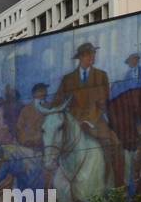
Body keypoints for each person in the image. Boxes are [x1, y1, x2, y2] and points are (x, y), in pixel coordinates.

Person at [50, 41, 123, 188]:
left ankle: (117, 186)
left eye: (93, 54)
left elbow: (103, 99)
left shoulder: (102, 76)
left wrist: (90, 120)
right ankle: (56, 190)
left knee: (115, 144)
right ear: (81, 57)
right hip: (73, 122)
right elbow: (58, 100)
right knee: (53, 146)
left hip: (95, 121)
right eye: (89, 54)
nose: (92, 57)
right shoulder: (68, 79)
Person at [15, 83, 49, 149]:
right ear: (34, 94)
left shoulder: (50, 107)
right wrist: (26, 140)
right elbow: (19, 128)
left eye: (45, 90)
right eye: (41, 91)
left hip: (46, 145)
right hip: (29, 146)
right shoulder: (25, 109)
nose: (44, 93)